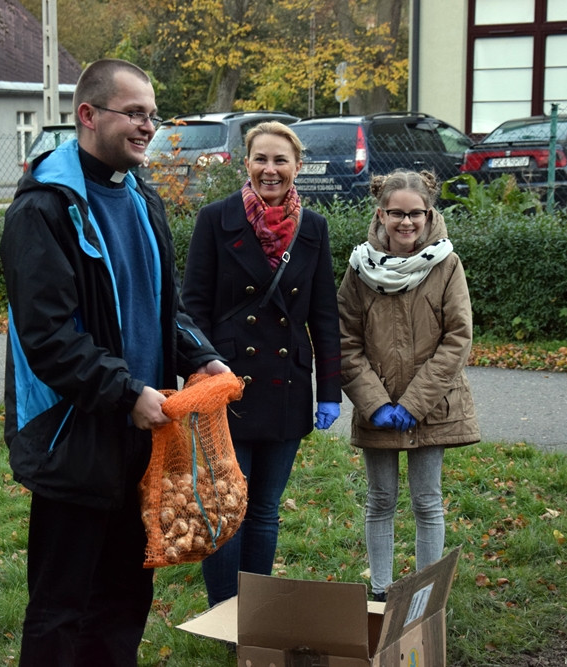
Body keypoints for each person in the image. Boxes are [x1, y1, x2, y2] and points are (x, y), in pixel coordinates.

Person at [0, 58, 229, 666]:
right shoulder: (44, 209)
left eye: (152, 115)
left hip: (141, 435)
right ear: (88, 115)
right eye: (134, 113)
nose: (147, 126)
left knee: (125, 599)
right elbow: (49, 337)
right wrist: (126, 393)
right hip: (75, 437)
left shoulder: (142, 199)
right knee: (60, 609)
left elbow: (163, 305)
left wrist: (198, 356)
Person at [181, 121, 342, 607]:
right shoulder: (216, 219)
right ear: (246, 163)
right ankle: (225, 613)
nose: (270, 170)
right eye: (261, 159)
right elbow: (192, 307)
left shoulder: (313, 228)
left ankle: (256, 615)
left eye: (280, 160)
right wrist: (198, 372)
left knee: (265, 509)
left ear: (297, 166)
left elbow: (324, 314)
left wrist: (330, 391)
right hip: (225, 383)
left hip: (287, 384)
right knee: (226, 506)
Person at [337, 170, 480, 602]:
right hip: (377, 410)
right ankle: (380, 592)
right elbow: (345, 342)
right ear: (381, 213)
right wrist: (375, 403)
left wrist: (415, 403)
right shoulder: (359, 270)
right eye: (396, 213)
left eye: (415, 213)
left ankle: (424, 596)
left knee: (427, 502)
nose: (406, 222)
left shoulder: (447, 264)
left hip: (433, 408)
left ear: (428, 213)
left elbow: (458, 337)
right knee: (380, 500)